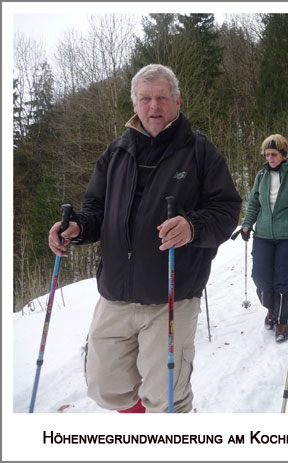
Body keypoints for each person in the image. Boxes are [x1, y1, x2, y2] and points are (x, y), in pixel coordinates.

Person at [48, 64, 242, 413]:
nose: (154, 106)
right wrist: (77, 228)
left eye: (162, 98)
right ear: (134, 104)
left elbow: (227, 211)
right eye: (146, 98)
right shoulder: (116, 152)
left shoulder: (200, 152)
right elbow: (95, 209)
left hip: (172, 295)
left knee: (166, 397)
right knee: (104, 386)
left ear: (177, 101)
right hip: (117, 293)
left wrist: (192, 227)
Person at [238, 134, 288, 342]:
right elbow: (254, 203)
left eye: (274, 154)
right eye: (267, 154)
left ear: (283, 154)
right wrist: (246, 224)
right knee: (261, 277)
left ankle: (281, 319)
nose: (270, 158)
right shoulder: (261, 175)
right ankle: (271, 307)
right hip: (263, 235)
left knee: (282, 278)